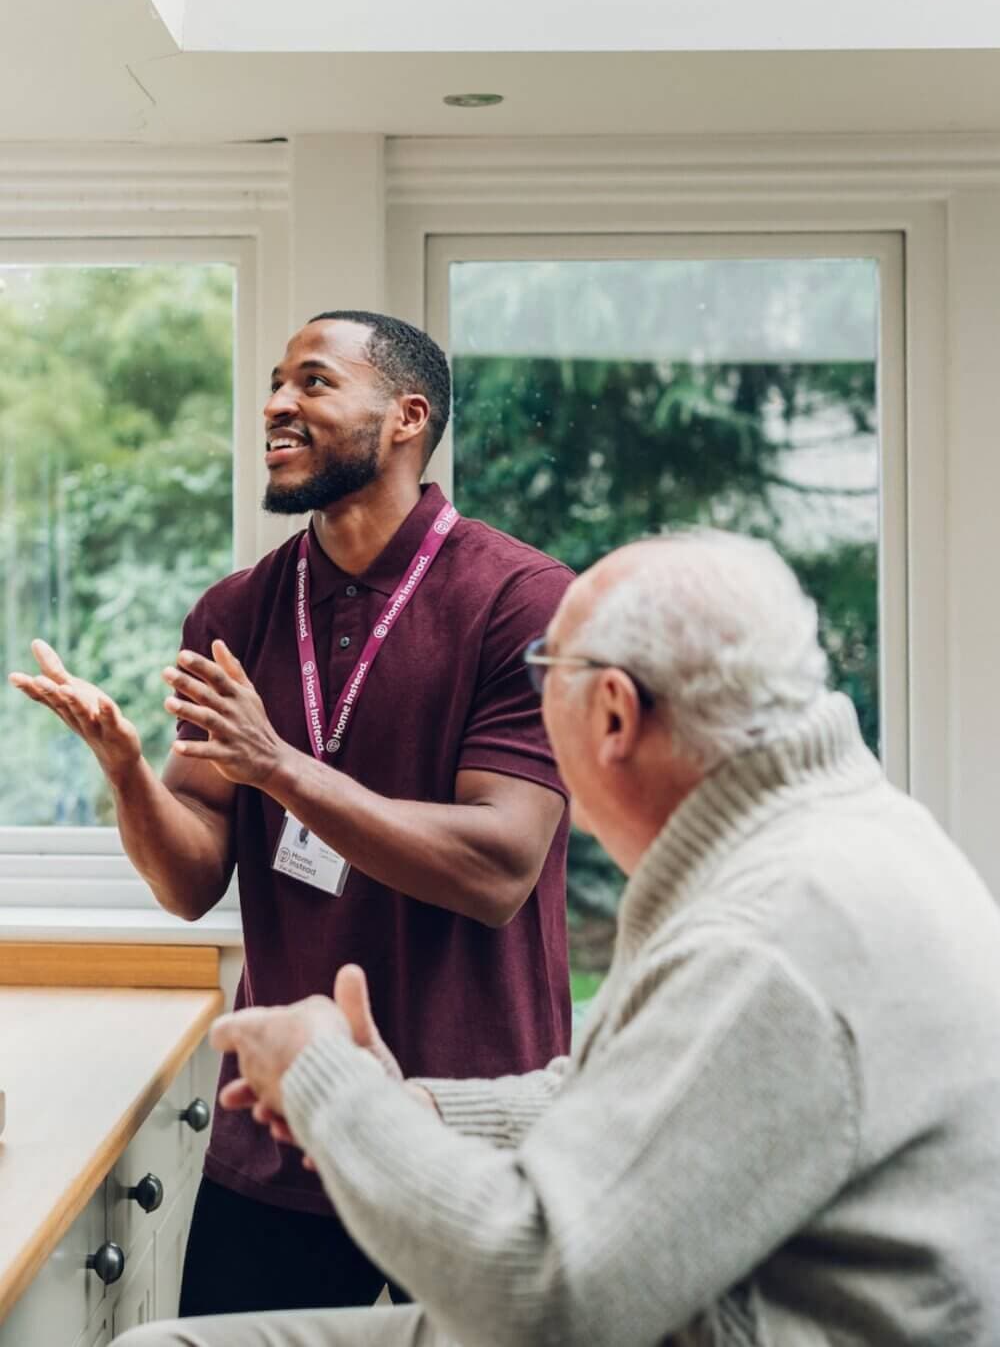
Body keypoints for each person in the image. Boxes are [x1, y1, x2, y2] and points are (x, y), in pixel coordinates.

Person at [117, 530, 1000, 1347]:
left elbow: (542, 1299)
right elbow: (670, 1099)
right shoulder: (855, 835)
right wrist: (427, 1110)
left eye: (547, 674)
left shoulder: (766, 937)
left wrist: (325, 1083)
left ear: (612, 715)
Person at [9, 311, 574, 1315]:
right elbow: (190, 881)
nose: (276, 403)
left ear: (405, 416)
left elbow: (498, 869)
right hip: (276, 1145)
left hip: (466, 1141)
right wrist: (131, 774)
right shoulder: (234, 613)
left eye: (313, 382)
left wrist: (279, 765)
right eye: (274, 382)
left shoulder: (522, 600)